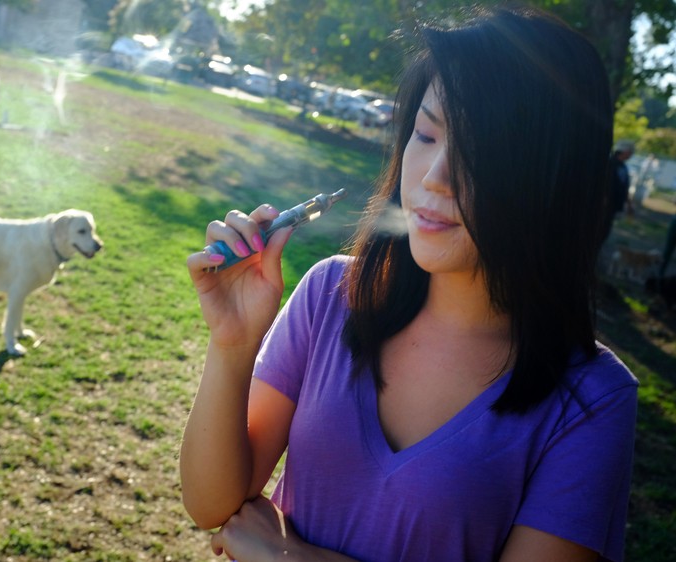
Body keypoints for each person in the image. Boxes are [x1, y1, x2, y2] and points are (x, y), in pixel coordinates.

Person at [182, 6, 638, 562]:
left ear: (553, 182)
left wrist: (292, 557)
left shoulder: (592, 401)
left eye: (480, 152)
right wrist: (231, 346)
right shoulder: (330, 297)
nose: (432, 176)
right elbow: (213, 505)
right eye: (426, 133)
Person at [601, 139, 635, 245]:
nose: (631, 155)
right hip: (604, 205)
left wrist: (629, 203)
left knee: (605, 230)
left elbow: (625, 187)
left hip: (613, 205)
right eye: (630, 152)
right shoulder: (610, 163)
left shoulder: (623, 167)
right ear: (625, 151)